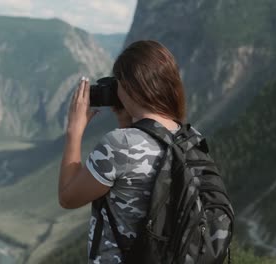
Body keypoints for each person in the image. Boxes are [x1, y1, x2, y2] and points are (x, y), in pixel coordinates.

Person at [58, 40, 191, 263]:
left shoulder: (119, 145)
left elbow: (67, 197)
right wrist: (125, 120)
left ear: (130, 87)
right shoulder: (188, 138)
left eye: (118, 84)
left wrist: (74, 131)